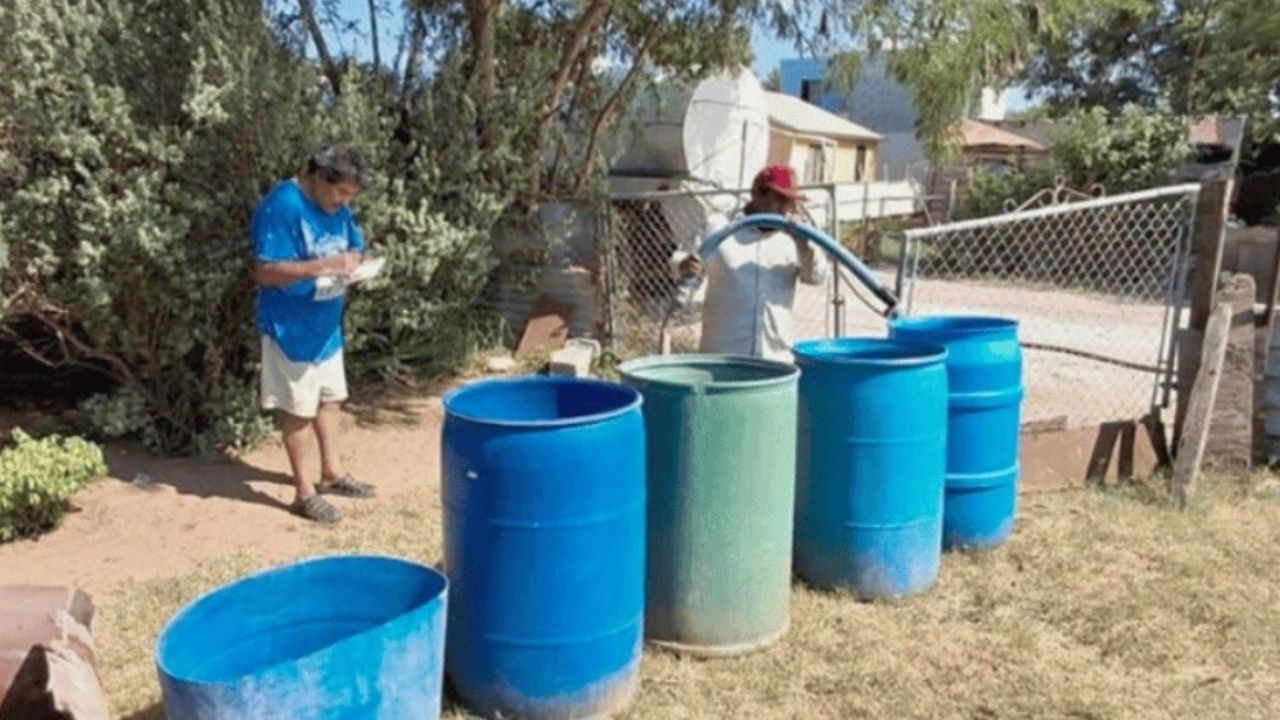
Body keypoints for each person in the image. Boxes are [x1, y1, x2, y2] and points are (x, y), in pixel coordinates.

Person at [252, 144, 376, 524]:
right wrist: (320, 266)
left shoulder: (339, 206)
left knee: (331, 399)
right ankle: (304, 492)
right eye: (340, 193)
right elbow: (264, 271)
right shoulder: (283, 205)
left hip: (326, 325)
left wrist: (355, 264)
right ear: (320, 177)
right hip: (290, 328)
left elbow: (354, 246)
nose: (343, 203)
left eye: (351, 196)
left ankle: (332, 473)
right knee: (298, 411)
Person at [669, 165, 829, 362]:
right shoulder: (719, 227)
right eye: (779, 199)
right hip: (722, 356)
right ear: (757, 194)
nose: (785, 209)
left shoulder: (796, 237)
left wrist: (804, 245)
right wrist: (684, 265)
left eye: (789, 202)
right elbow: (685, 259)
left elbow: (817, 277)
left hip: (774, 357)